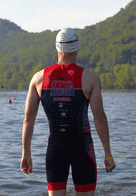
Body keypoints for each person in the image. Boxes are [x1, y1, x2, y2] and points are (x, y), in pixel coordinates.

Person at [21, 28, 116, 196]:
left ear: (57, 48)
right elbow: (99, 118)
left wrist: (26, 153)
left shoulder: (38, 79)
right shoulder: (90, 78)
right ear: (77, 48)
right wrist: (108, 155)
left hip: (55, 150)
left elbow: (28, 119)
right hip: (83, 150)